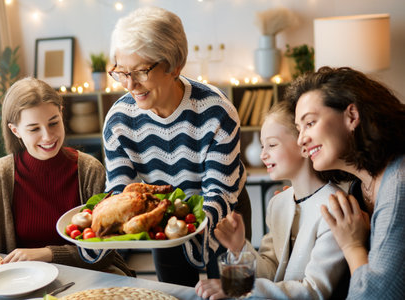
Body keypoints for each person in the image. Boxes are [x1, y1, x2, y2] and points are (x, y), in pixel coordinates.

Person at [98, 6, 251, 286]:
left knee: (234, 290)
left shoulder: (216, 112)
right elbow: (120, 190)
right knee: (175, 291)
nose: (130, 84)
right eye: (121, 72)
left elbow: (218, 191)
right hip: (163, 212)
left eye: (142, 71)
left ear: (174, 65)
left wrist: (186, 232)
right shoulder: (118, 121)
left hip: (225, 206)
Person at [0, 77, 133, 291]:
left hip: (91, 281)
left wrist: (47, 253)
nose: (48, 136)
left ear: (61, 111)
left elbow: (105, 251)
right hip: (20, 288)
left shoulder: (89, 171)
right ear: (15, 130)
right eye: (34, 129)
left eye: (53, 123)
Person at [195, 101, 350, 299]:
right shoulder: (278, 203)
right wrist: (240, 246)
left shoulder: (334, 207)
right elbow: (271, 274)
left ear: (303, 144)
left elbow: (315, 290)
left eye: (272, 144)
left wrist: (241, 286)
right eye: (262, 145)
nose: (262, 155)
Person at [287, 66, 405, 299]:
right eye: (299, 129)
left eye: (309, 123)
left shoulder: (398, 186)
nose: (301, 139)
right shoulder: (359, 187)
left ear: (352, 116)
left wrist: (352, 246)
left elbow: (374, 296)